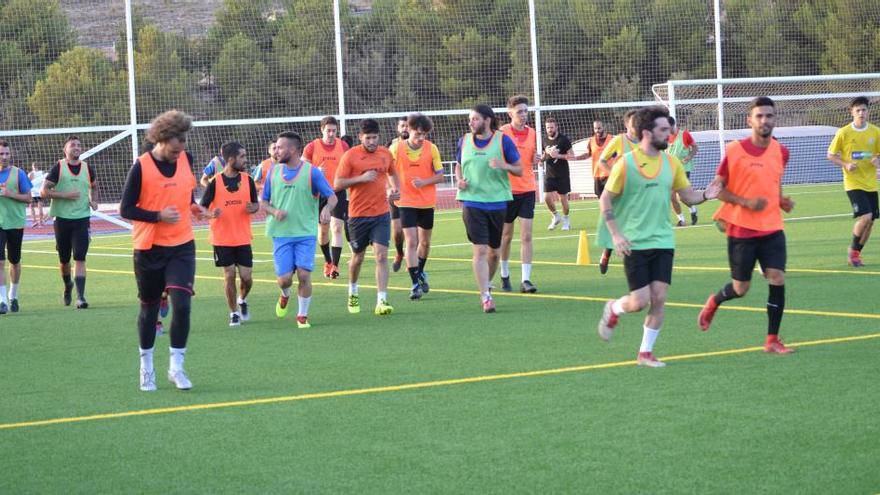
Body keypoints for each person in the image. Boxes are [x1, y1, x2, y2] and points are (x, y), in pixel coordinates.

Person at [597, 106, 719, 367]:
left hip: (663, 239)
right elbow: (606, 198)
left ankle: (645, 353)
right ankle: (614, 308)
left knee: (660, 297)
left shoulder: (672, 163)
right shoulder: (626, 163)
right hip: (635, 241)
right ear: (646, 133)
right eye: (663, 130)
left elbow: (687, 196)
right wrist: (616, 234)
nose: (669, 134)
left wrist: (707, 194)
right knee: (639, 302)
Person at [697, 97, 797, 354]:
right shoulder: (734, 151)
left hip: (773, 227)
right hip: (742, 229)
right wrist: (745, 202)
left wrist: (780, 200)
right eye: (760, 116)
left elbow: (773, 182)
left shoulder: (781, 151)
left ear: (775, 119)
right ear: (749, 120)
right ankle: (715, 301)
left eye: (769, 116)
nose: (765, 120)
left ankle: (772, 339)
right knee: (741, 288)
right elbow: (717, 190)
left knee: (777, 276)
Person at [120, 109, 207, 391]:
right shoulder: (141, 167)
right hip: (149, 248)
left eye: (182, 145)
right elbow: (126, 209)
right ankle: (146, 367)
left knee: (182, 305)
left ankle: (176, 367)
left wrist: (195, 208)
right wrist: (157, 215)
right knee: (149, 309)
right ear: (161, 138)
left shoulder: (186, 158)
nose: (178, 152)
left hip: (182, 245)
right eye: (174, 147)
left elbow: (186, 195)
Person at [261, 131, 337, 329]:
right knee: (284, 280)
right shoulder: (273, 172)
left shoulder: (312, 172)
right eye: (275, 147)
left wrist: (328, 209)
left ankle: (302, 316)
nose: (276, 151)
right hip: (281, 234)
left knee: (304, 274)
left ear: (293, 150)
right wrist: (274, 211)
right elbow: (264, 202)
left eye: (280, 147)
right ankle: (285, 294)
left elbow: (332, 197)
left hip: (305, 234)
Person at [455, 104, 523, 313]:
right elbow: (459, 164)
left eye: (474, 119)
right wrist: (459, 180)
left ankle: (486, 285)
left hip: (497, 202)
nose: (471, 122)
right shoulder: (464, 141)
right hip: (472, 202)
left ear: (487, 120)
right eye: (470, 119)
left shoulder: (503, 140)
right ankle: (485, 296)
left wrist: (504, 166)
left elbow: (519, 169)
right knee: (480, 250)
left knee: (494, 252)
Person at [335, 119, 399, 316]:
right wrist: (360, 178)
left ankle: (382, 300)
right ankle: (353, 290)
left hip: (380, 213)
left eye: (375, 137)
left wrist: (395, 190)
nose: (372, 141)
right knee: (358, 258)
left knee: (381, 255)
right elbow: (337, 184)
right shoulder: (351, 156)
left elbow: (393, 173)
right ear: (361, 137)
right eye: (368, 138)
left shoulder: (385, 154)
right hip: (357, 215)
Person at [201, 141, 259, 327]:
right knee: (229, 274)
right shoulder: (214, 182)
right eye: (242, 156)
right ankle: (233, 312)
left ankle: (242, 300)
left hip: (242, 237)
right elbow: (201, 208)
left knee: (246, 277)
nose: (245, 159)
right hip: (222, 238)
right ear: (231, 159)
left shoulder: (248, 180)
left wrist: (254, 207)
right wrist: (211, 213)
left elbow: (256, 204)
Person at [390, 113, 445, 300]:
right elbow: (387, 171)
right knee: (411, 241)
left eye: (424, 135)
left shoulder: (432, 149)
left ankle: (420, 272)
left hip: (426, 202)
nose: (421, 138)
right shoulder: (396, 149)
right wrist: (390, 189)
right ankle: (414, 284)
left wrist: (424, 182)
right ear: (409, 130)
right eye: (418, 134)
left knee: (425, 243)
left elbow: (440, 175)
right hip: (405, 202)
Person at [42, 136, 97, 309]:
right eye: (72, 145)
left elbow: (94, 186)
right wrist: (64, 195)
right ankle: (68, 286)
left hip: (82, 220)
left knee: (80, 257)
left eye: (79, 145)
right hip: (62, 220)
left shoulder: (87, 168)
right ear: (65, 149)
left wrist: (93, 200)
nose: (77, 147)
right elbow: (43, 191)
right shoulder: (58, 167)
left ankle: (80, 297)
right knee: (64, 260)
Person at [827, 96, 880, 267]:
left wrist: (877, 161)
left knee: (871, 222)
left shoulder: (875, 132)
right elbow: (831, 155)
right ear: (852, 112)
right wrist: (846, 164)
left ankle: (856, 254)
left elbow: (878, 154)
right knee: (866, 216)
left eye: (864, 109)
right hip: (853, 183)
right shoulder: (843, 133)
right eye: (857, 110)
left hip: (870, 183)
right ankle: (853, 250)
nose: (861, 113)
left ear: (868, 111)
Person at [497, 95, 540, 293]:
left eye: (525, 111)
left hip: (528, 188)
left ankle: (526, 280)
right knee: (505, 236)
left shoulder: (532, 133)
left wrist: (538, 157)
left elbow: (530, 159)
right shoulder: (502, 133)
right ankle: (504, 275)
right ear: (510, 113)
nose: (523, 115)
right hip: (507, 191)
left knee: (527, 236)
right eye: (519, 111)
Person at [303, 116, 350, 279]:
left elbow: (350, 164)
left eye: (334, 131)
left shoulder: (343, 146)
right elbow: (301, 169)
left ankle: (335, 266)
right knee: (323, 231)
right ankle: (328, 260)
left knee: (337, 227)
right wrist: (315, 170)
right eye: (328, 130)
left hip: (337, 191)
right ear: (322, 130)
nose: (331, 134)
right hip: (318, 194)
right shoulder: (311, 147)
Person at [595, 110, 639, 275]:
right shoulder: (619, 141)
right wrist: (615, 175)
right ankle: (607, 251)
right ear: (626, 124)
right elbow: (602, 161)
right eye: (634, 122)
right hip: (620, 188)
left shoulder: (644, 141)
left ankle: (635, 257)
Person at [0, 141, 33, 314]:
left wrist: (9, 194)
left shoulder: (18, 173)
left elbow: (29, 198)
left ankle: (13, 296)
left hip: (15, 223)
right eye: (1, 154)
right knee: (0, 261)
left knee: (14, 261)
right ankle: (2, 300)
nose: (4, 157)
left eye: (6, 153)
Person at [542, 117, 573, 231]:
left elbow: (572, 155)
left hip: (562, 174)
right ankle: (555, 216)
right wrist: (541, 160)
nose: (549, 129)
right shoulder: (545, 140)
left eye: (551, 127)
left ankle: (566, 219)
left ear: (556, 127)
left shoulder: (564, 140)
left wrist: (558, 156)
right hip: (550, 174)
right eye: (547, 127)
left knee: (563, 199)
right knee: (546, 197)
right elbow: (545, 154)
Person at [668, 116, 700, 226]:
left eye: (668, 128)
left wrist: (689, 156)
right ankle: (681, 220)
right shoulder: (663, 137)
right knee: (671, 196)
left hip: (683, 170)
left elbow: (695, 148)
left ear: (673, 125)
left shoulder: (684, 135)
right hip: (669, 171)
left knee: (683, 197)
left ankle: (693, 209)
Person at [388, 116, 409, 273]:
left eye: (408, 126)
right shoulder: (392, 146)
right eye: (402, 126)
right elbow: (386, 170)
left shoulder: (418, 144)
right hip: (396, 193)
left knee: (412, 232)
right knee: (397, 231)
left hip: (413, 194)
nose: (405, 128)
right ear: (398, 128)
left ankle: (412, 263)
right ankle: (400, 252)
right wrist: (389, 189)